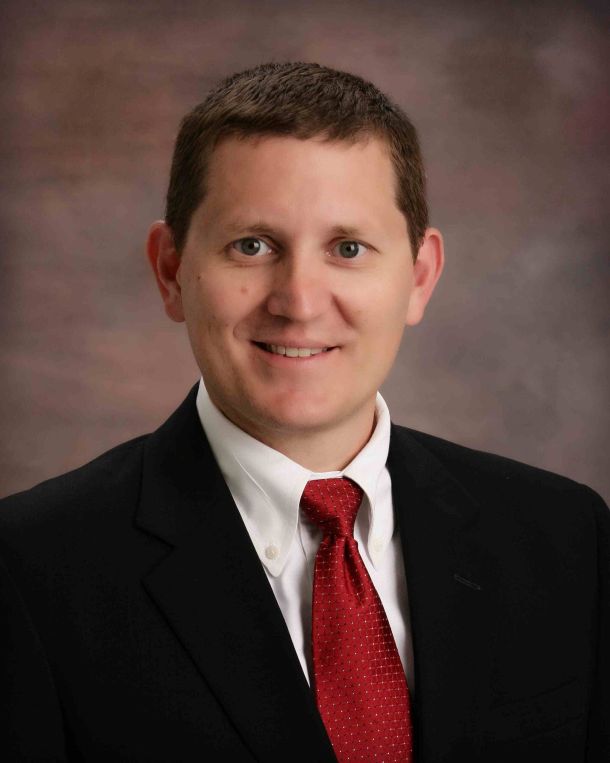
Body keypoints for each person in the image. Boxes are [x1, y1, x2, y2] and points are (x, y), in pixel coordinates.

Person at [0, 62, 607, 763]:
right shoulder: (28, 573)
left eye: (348, 248)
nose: (299, 301)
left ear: (418, 277)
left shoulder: (569, 540)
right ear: (171, 271)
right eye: (252, 246)